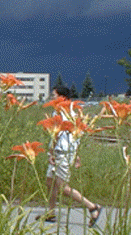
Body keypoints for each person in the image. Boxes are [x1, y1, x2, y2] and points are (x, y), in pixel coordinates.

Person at [38, 86, 102, 228]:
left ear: (63, 98)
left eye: (54, 95)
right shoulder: (68, 112)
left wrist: (51, 153)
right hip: (65, 152)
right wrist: (76, 154)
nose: (51, 97)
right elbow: (75, 135)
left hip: (61, 153)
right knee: (50, 182)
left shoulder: (62, 113)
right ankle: (51, 212)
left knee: (62, 187)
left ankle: (92, 207)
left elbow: (57, 133)